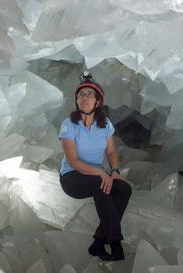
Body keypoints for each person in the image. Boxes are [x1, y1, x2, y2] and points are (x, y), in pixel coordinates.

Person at [58, 72, 132, 261]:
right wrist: (101, 172)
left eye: (90, 94)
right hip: (72, 177)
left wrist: (114, 172)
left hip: (96, 175)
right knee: (99, 184)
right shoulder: (69, 125)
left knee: (123, 189)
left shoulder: (104, 124)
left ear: (98, 102)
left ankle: (98, 242)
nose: (85, 98)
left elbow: (111, 152)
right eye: (81, 94)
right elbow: (73, 161)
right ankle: (114, 242)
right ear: (76, 100)